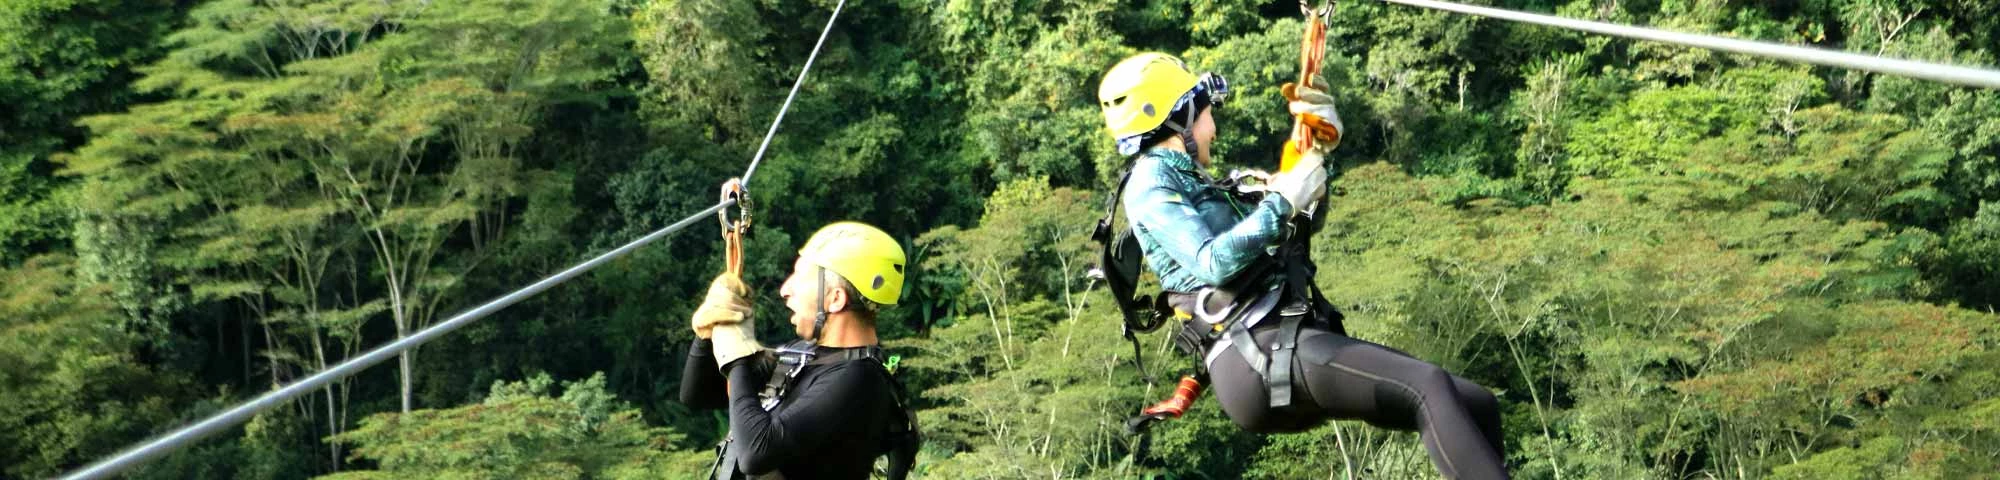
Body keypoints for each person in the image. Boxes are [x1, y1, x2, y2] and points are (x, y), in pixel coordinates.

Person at [1096, 52, 1511, 479]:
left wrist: (1315, 159)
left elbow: (1295, 229)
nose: (1214, 128)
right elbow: (1213, 262)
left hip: (1282, 340)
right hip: (1255, 351)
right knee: (1426, 388)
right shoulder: (1150, 183)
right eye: (1205, 114)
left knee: (1475, 403)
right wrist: (1281, 201)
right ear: (1179, 116)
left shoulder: (1200, 183)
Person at [678, 221, 918, 479]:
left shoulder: (858, 379)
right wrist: (709, 333)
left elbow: (755, 454)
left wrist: (735, 357)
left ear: (835, 299)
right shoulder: (802, 357)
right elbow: (699, 394)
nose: (785, 290)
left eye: (799, 277)